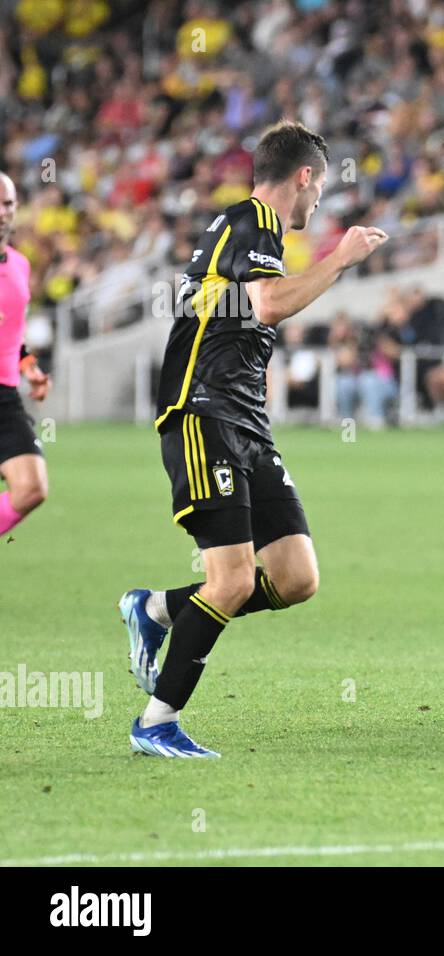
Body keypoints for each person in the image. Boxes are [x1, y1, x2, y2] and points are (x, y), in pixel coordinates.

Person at [118, 121, 388, 758]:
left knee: (294, 577)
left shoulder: (243, 230)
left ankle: (156, 610)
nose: (318, 200)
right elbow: (267, 305)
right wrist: (341, 258)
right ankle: (156, 722)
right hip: (203, 413)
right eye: (319, 186)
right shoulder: (253, 222)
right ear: (303, 177)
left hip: (245, 424)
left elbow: (246, 308)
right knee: (233, 580)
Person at [0, 171, 51, 541]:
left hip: (5, 394)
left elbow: (14, 334)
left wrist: (29, 368)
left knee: (31, 488)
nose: (2, 211)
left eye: (7, 203)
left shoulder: (19, 264)